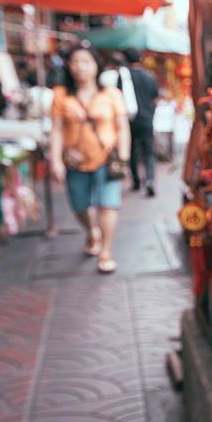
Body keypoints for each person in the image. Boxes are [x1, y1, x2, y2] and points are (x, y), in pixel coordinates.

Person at [48, 45, 130, 274]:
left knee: (108, 204)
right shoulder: (60, 95)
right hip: (74, 161)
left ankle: (105, 252)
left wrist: (123, 156)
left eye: (86, 62)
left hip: (106, 158)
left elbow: (122, 127)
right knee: (79, 205)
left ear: (96, 66)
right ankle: (91, 231)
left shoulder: (111, 94)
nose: (80, 67)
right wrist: (55, 159)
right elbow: (56, 130)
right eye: (75, 62)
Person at [120, 49, 160, 196]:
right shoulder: (149, 76)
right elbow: (156, 99)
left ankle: (136, 181)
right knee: (149, 151)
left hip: (129, 120)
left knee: (132, 151)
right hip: (146, 118)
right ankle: (149, 180)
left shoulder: (124, 77)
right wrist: (151, 114)